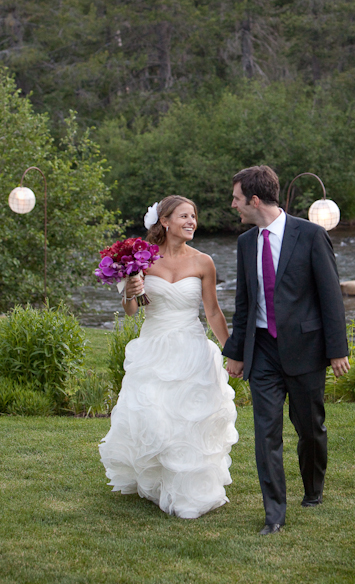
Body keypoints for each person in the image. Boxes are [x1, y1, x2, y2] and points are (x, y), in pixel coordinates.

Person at [222, 166, 349, 535]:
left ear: (255, 200)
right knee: (266, 433)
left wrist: (336, 349)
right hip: (262, 350)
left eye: (236, 198)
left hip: (306, 350)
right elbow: (244, 303)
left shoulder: (310, 235)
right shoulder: (246, 243)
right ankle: (274, 514)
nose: (233, 205)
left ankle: (313, 489)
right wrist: (237, 351)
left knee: (310, 428)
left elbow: (330, 295)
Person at [99, 195, 238, 519]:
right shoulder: (142, 260)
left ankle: (189, 486)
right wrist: (130, 291)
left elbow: (213, 312)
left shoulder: (203, 262)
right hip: (154, 347)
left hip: (192, 348)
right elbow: (132, 311)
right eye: (184, 216)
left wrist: (232, 352)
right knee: (154, 416)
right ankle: (157, 480)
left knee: (189, 421)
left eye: (194, 216)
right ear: (165, 221)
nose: (191, 221)